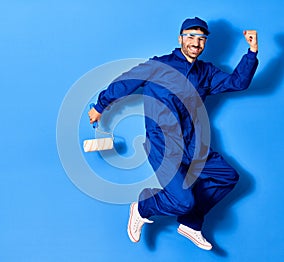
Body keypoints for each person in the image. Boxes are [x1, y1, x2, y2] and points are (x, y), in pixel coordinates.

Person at [88, 17, 258, 250]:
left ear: (205, 43)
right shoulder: (158, 66)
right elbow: (126, 82)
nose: (195, 43)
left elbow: (237, 83)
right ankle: (143, 207)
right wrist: (100, 106)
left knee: (228, 177)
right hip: (163, 146)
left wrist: (251, 52)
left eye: (201, 39)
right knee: (182, 201)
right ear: (180, 39)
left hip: (195, 145)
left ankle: (191, 223)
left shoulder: (205, 72)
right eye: (190, 36)